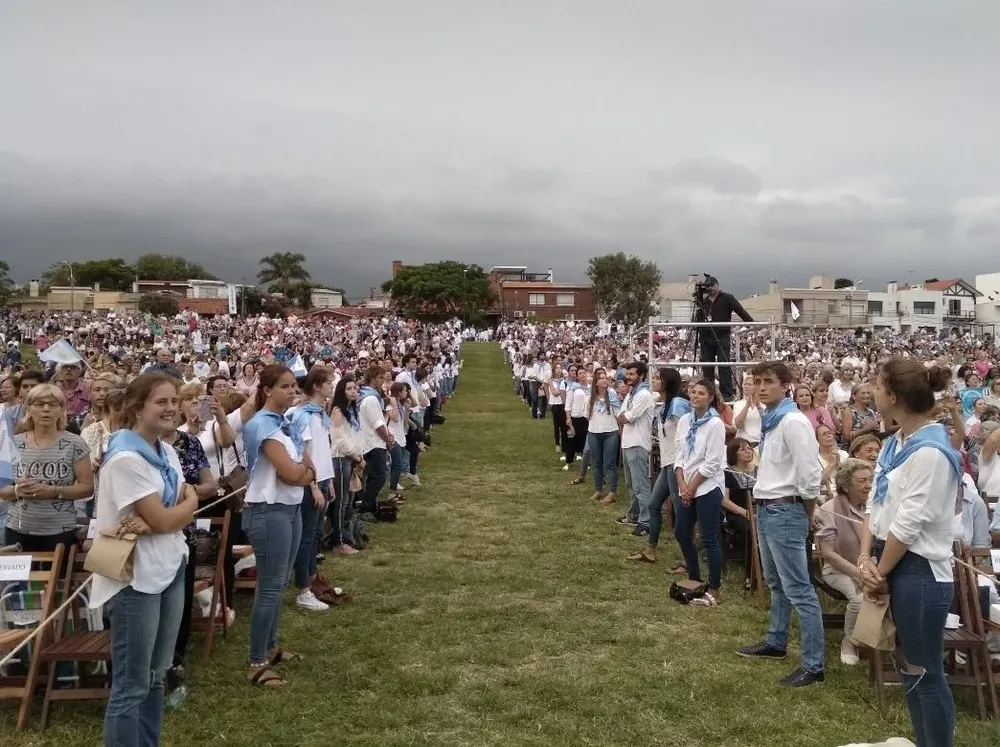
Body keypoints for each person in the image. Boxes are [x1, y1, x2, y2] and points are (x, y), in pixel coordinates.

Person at [89, 372, 198, 747]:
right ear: (137, 408)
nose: (171, 408)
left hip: (170, 566)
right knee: (131, 685)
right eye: (161, 402)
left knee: (157, 675)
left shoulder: (165, 451)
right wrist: (190, 505)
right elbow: (171, 513)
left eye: (174, 400)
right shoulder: (124, 458)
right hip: (135, 578)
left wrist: (167, 516)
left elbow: (167, 512)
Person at [859, 360, 962, 747]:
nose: (873, 389)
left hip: (918, 570)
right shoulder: (894, 442)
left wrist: (880, 570)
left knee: (925, 672)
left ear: (895, 396)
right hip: (890, 561)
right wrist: (865, 558)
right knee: (908, 669)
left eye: (878, 384)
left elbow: (909, 523)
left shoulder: (931, 451)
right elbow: (875, 504)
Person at [736, 361, 825, 688]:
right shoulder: (773, 420)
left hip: (786, 510)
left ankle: (814, 665)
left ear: (785, 385)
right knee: (776, 582)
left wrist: (807, 511)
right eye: (757, 381)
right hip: (769, 508)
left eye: (768, 381)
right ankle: (776, 640)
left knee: (800, 588)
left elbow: (809, 474)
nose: (761, 387)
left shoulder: (793, 421)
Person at [242, 363, 316, 688]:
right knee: (270, 587)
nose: (291, 391)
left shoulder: (285, 424)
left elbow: (306, 464)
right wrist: (303, 473)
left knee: (279, 582)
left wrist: (304, 473)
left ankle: (270, 646)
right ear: (267, 389)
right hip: (268, 509)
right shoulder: (263, 426)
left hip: (289, 507)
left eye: (293, 386)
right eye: (284, 386)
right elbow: (289, 472)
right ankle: (256, 660)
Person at [0, 384, 94, 550]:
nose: (46, 409)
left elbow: (87, 488)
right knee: (20, 577)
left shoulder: (75, 443)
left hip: (59, 530)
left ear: (61, 410)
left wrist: (54, 492)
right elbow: (2, 489)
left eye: (52, 405)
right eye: (39, 404)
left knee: (58, 575)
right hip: (18, 529)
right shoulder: (12, 443)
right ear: (28, 409)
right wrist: (17, 491)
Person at [672, 378, 727, 605]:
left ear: (711, 397)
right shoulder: (685, 420)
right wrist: (682, 482)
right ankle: (694, 577)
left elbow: (712, 462)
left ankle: (714, 586)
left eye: (701, 393)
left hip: (706, 487)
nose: (695, 397)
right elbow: (679, 453)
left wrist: (691, 487)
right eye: (693, 393)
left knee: (708, 536)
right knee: (681, 531)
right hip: (686, 483)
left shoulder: (715, 424)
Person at [287, 366, 335, 611]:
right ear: (316, 386)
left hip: (323, 479)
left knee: (315, 534)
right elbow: (302, 451)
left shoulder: (318, 414)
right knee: (306, 536)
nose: (331, 385)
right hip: (310, 483)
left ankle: (312, 579)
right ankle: (303, 589)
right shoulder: (304, 415)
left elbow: (322, 450)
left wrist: (329, 481)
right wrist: (314, 485)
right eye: (328, 382)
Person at [815, 458, 871, 666]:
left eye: (871, 480)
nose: (869, 485)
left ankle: (880, 641)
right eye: (862, 481)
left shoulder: (874, 507)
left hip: (872, 567)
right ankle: (850, 641)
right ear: (846, 485)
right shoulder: (828, 509)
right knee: (861, 600)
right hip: (839, 570)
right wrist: (859, 574)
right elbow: (829, 554)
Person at [693, 275, 754, 400]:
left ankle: (726, 395)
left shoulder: (726, 298)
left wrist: (751, 323)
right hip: (706, 337)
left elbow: (740, 310)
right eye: (707, 287)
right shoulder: (704, 301)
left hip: (722, 336)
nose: (709, 289)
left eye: (711, 286)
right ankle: (709, 394)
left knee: (724, 366)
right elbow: (697, 319)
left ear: (717, 285)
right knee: (707, 368)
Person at [617, 361, 656, 537]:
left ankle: (646, 522)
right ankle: (633, 515)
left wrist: (624, 416)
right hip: (628, 443)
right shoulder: (632, 393)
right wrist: (623, 416)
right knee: (631, 484)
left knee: (641, 486)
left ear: (641, 375)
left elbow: (628, 417)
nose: (628, 377)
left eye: (632, 374)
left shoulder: (644, 395)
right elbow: (621, 414)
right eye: (627, 374)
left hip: (638, 444)